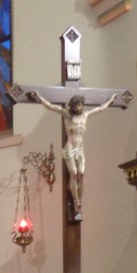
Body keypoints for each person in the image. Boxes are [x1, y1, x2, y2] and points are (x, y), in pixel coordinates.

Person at [25, 91, 120, 220]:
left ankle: (79, 201)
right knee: (74, 173)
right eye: (75, 106)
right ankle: (76, 201)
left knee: (81, 173)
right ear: (72, 106)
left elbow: (100, 109)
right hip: (70, 147)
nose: (77, 107)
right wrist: (39, 97)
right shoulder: (67, 115)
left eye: (79, 105)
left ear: (82, 104)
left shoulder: (86, 115)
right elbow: (51, 106)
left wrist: (110, 100)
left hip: (80, 149)